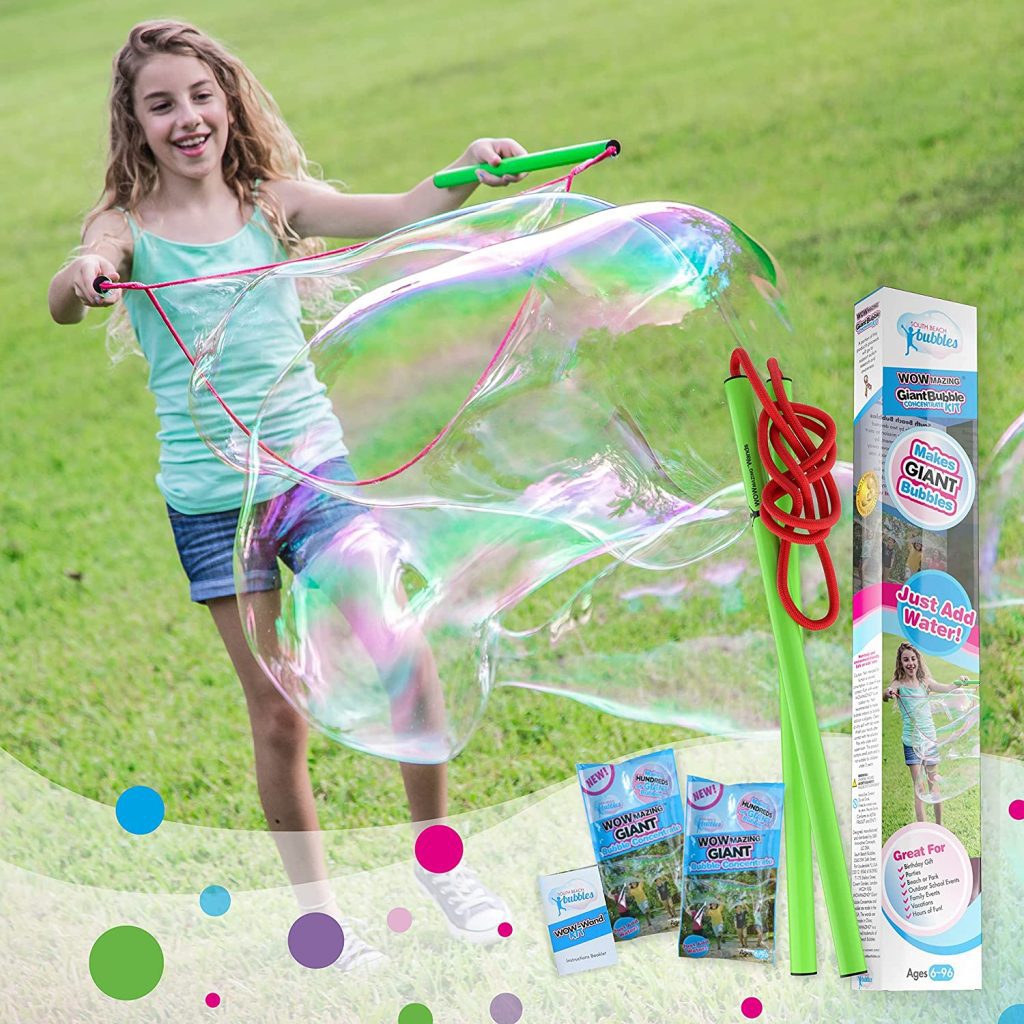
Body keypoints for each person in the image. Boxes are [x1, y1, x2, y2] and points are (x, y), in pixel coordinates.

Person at [47, 19, 528, 965]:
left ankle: (440, 864)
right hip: (211, 503)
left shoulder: (270, 202)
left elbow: (396, 211)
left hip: (312, 473)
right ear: (134, 123)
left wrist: (465, 165)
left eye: (200, 96)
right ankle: (320, 918)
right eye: (161, 105)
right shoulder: (129, 228)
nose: (186, 118)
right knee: (279, 713)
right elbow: (70, 289)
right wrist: (87, 275)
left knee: (404, 657)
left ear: (227, 99)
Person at [883, 641, 969, 827]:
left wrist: (959, 682)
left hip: (929, 740)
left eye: (913, 659)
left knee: (933, 783)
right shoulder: (898, 684)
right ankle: (923, 828)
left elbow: (946, 688)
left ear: (918, 661)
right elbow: (886, 693)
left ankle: (939, 826)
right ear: (901, 663)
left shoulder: (924, 683)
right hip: (911, 742)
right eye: (906, 660)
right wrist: (888, 693)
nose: (910, 663)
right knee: (919, 787)